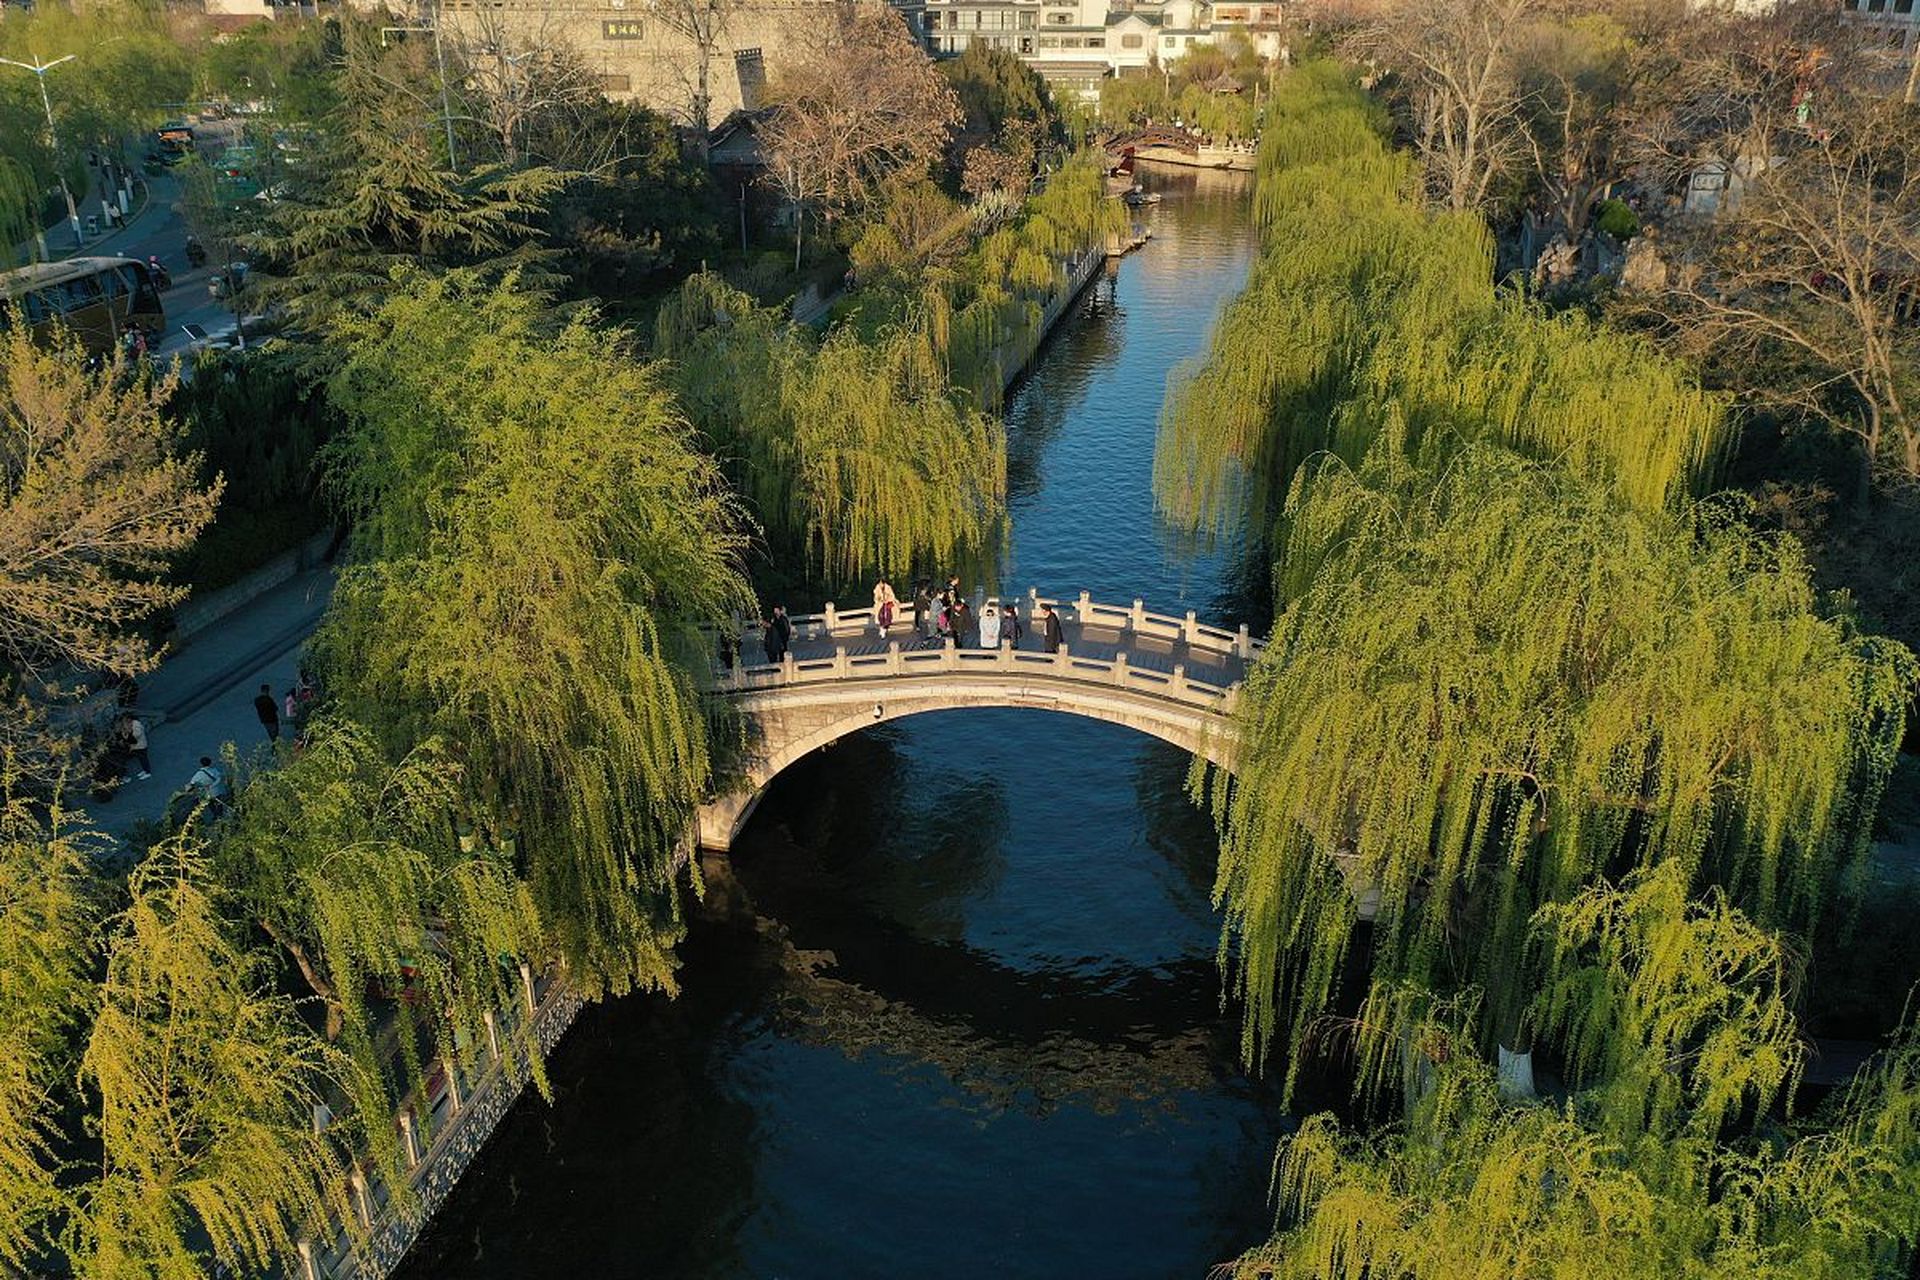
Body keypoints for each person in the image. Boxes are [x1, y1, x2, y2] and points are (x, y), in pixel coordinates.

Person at [122, 713, 151, 780]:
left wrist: (128, 733)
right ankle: (145, 770)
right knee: (141, 759)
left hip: (141, 746)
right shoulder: (132, 724)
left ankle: (147, 772)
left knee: (144, 759)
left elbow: (137, 734)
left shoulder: (136, 724)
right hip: (138, 746)